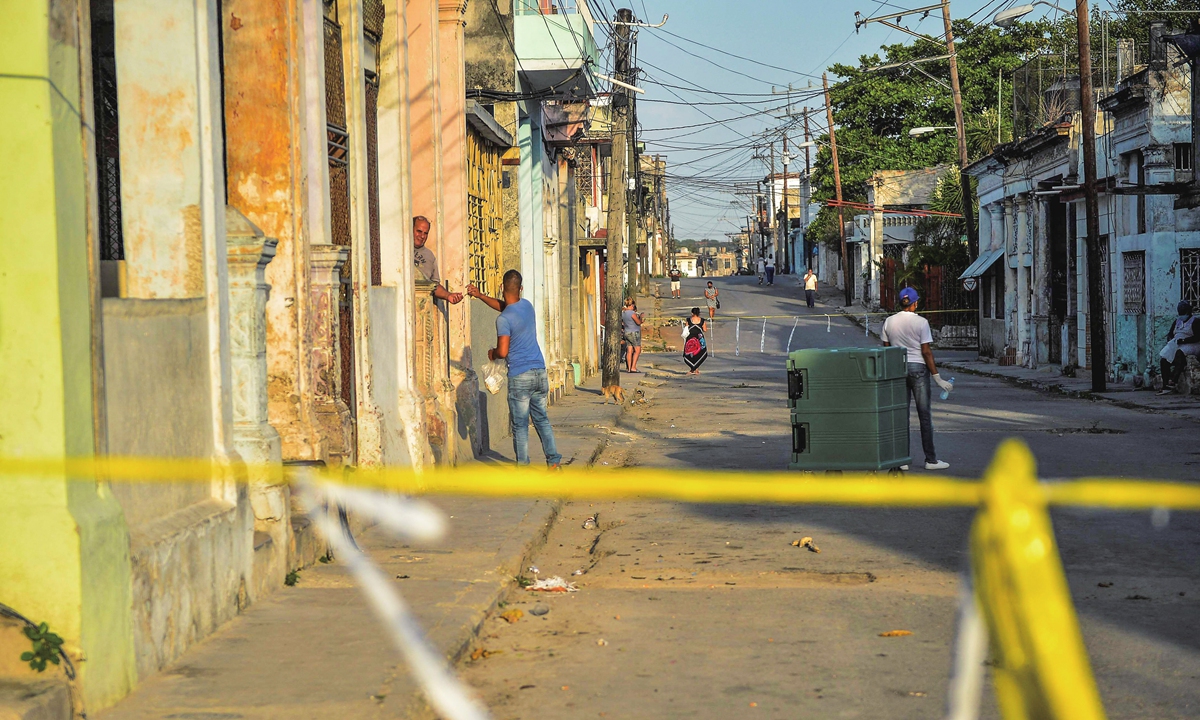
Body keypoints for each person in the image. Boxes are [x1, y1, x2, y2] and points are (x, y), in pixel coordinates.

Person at [466, 271, 561, 468]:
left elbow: (503, 350)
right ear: (521, 289)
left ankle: (523, 468)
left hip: (520, 376)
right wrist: (481, 296)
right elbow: (506, 307)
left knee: (520, 425)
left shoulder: (503, 320)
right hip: (539, 372)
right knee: (541, 420)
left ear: (501, 288)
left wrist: (493, 354)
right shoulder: (527, 306)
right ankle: (553, 463)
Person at [880, 288, 953, 471]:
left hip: (898, 369)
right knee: (924, 416)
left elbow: (887, 350)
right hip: (918, 369)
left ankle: (902, 460)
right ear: (915, 303)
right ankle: (931, 460)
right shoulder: (922, 322)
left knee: (901, 416)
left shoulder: (889, 322)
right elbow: (926, 351)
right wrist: (937, 377)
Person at [413, 216, 463, 304]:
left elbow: (434, 285)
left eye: (425, 233)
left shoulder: (429, 256)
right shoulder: (399, 249)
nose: (422, 236)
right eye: (419, 231)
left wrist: (448, 295)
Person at [1158, 301, 1200, 394]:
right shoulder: (1177, 321)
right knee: (1164, 358)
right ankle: (1165, 385)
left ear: (1188, 312)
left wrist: (1184, 340)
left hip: (1192, 344)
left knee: (1179, 353)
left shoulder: (1195, 321)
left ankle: (1174, 380)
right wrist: (1171, 340)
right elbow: (1170, 334)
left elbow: (1197, 336)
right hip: (1177, 343)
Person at [682, 307, 707, 375]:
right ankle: (696, 369)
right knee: (699, 352)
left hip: (690, 338)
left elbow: (686, 328)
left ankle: (692, 369)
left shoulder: (689, 320)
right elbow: (705, 330)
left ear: (692, 313)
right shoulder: (702, 320)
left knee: (690, 352)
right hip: (699, 338)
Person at [622, 297, 644, 373]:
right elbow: (638, 322)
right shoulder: (632, 313)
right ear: (632, 305)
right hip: (634, 332)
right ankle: (633, 367)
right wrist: (641, 318)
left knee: (629, 350)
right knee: (637, 350)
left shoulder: (623, 313)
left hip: (626, 331)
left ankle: (629, 368)